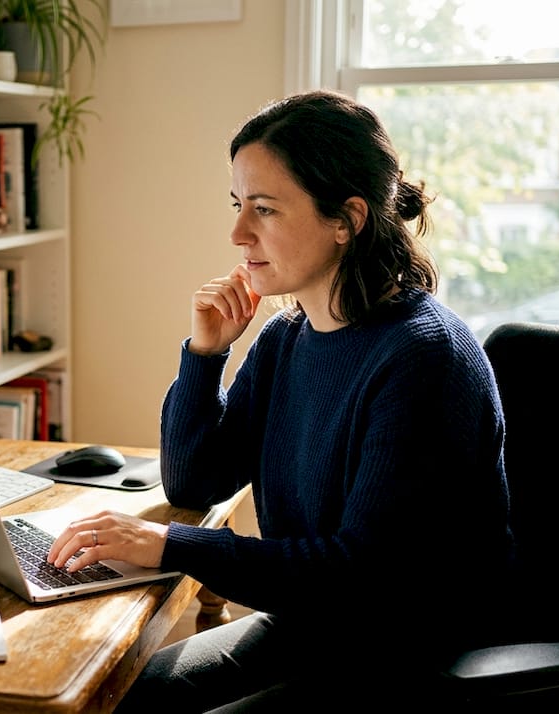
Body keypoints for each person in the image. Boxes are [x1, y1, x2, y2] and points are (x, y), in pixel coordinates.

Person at [46, 90, 513, 711]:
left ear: (347, 219)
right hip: (319, 622)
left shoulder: (422, 358)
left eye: (263, 209)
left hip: (406, 655)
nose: (237, 233)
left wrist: (167, 545)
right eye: (239, 205)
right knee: (130, 698)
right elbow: (194, 482)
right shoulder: (288, 336)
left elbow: (360, 574)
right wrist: (204, 355)